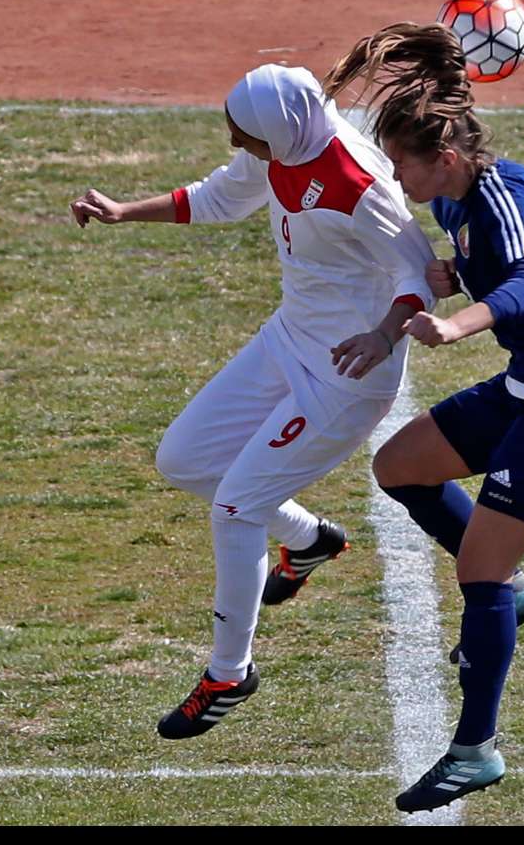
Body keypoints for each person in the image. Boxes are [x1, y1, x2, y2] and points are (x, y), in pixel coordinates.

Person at [71, 64, 435, 740]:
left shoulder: (359, 185)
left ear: (281, 129)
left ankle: (227, 674)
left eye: (246, 136)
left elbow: (420, 272)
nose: (239, 145)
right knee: (183, 458)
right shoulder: (280, 147)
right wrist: (123, 211)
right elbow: (218, 197)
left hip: (346, 375)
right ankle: (309, 538)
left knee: (236, 506)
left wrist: (383, 336)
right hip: (288, 339)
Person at [323, 23, 524, 812]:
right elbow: (492, 265)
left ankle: (474, 750)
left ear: (446, 157)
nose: (396, 178)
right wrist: (433, 289)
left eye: (402, 164)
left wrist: (457, 323)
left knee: (478, 572)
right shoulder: (461, 202)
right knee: (399, 466)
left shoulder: (503, 197)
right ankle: (512, 593)